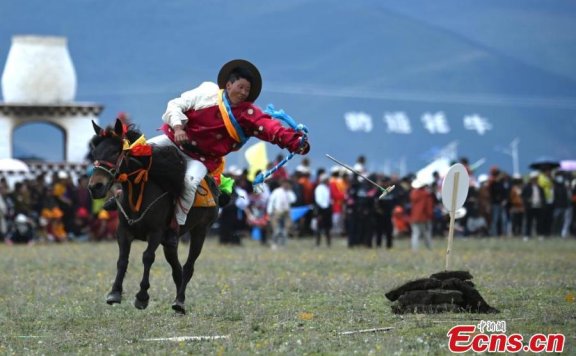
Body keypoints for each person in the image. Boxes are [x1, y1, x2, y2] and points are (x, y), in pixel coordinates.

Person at [148, 59, 310, 229]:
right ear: (228, 85)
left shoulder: (249, 113)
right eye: (240, 87)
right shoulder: (206, 91)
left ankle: (176, 226)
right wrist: (178, 127)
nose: (243, 92)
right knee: (138, 152)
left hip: (202, 158)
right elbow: (175, 104)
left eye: (247, 90)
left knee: (190, 182)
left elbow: (270, 127)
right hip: (174, 139)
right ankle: (120, 194)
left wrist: (295, 142)